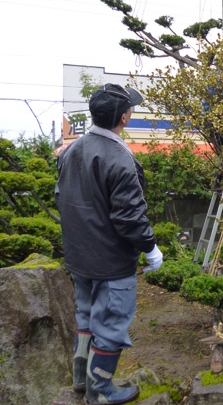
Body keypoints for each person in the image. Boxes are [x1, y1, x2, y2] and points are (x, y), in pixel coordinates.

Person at [55, 83, 163, 405]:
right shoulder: (119, 157)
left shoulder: (71, 150)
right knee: (112, 324)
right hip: (111, 262)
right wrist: (151, 248)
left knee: (86, 316)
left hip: (79, 256)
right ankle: (100, 390)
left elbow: (61, 199)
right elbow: (130, 217)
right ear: (125, 117)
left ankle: (80, 380)